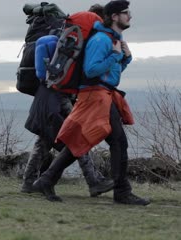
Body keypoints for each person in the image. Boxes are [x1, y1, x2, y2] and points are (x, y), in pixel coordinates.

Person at [32, 0, 151, 205]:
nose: (129, 16)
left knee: (82, 140)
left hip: (103, 94)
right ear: (114, 17)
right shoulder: (101, 40)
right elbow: (91, 70)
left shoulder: (112, 39)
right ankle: (122, 192)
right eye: (126, 13)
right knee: (117, 142)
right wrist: (115, 56)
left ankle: (46, 179)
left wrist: (125, 59)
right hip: (95, 96)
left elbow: (110, 75)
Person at [19, 4, 114, 197]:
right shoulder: (87, 34)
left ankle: (29, 182)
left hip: (48, 90)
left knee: (45, 138)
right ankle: (93, 180)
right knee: (75, 134)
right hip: (60, 92)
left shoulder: (69, 33)